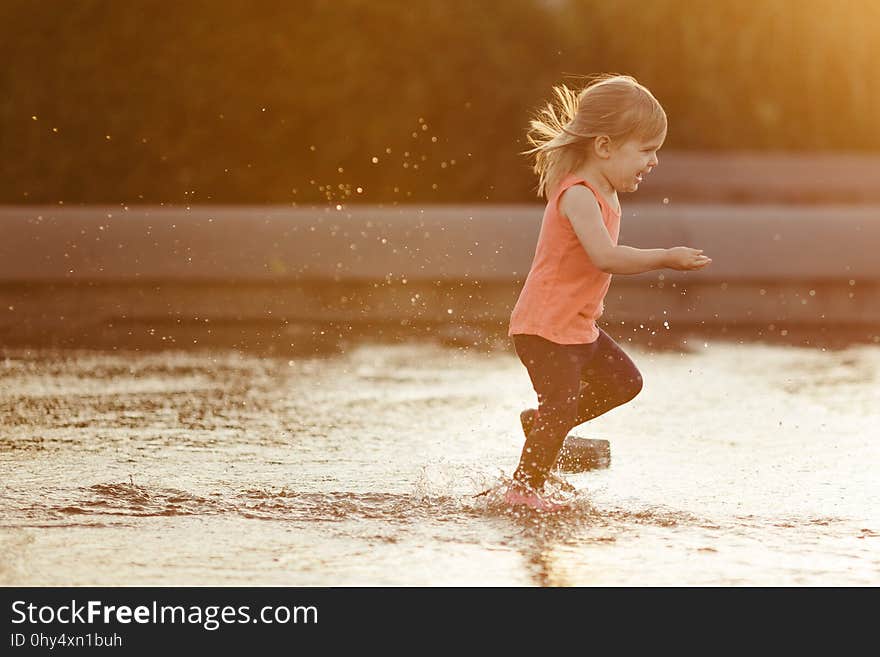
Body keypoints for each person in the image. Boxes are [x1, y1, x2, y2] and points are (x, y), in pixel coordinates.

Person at [506, 74, 712, 511]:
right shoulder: (579, 195)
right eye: (645, 150)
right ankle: (523, 491)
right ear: (604, 146)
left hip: (577, 327)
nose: (653, 161)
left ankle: (542, 425)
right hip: (545, 328)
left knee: (624, 382)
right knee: (561, 408)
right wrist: (664, 257)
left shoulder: (606, 192)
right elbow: (605, 256)